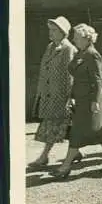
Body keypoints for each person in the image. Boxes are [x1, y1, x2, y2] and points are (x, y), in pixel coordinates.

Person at [50, 24, 102, 178]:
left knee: (78, 131)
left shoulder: (92, 54)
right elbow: (76, 76)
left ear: (86, 38)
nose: (74, 40)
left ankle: (65, 166)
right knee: (100, 130)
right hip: (81, 98)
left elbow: (98, 80)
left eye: (76, 37)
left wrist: (95, 101)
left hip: (91, 100)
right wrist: (71, 96)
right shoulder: (81, 53)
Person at [28, 16, 81, 168]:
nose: (50, 33)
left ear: (63, 32)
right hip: (48, 95)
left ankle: (44, 156)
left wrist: (70, 96)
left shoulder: (68, 49)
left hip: (61, 96)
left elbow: (71, 75)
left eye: (54, 30)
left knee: (53, 126)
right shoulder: (50, 47)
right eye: (50, 29)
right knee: (63, 126)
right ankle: (76, 152)